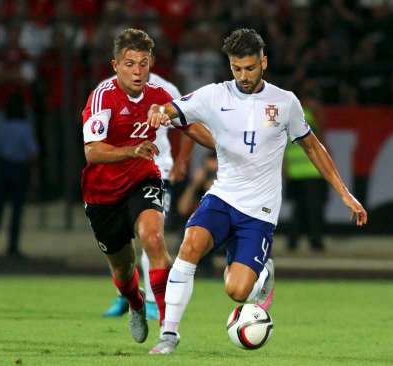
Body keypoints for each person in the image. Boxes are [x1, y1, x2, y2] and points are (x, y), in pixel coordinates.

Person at [146, 28, 368, 354]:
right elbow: (175, 109)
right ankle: (169, 335)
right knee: (190, 246)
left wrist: (345, 193)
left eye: (250, 68)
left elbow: (313, 147)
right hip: (223, 196)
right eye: (237, 69)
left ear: (263, 62)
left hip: (259, 211)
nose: (243, 76)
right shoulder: (215, 95)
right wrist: (159, 111)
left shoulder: (285, 102)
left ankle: (262, 272)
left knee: (236, 291)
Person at [81, 29, 212, 344]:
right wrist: (131, 149)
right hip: (103, 193)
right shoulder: (103, 95)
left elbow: (191, 127)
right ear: (116, 65)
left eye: (143, 63)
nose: (137, 71)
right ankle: (135, 303)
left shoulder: (160, 95)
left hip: (145, 178)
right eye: (130, 64)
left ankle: (168, 329)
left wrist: (226, 147)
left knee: (153, 239)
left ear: (151, 63)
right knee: (123, 271)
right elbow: (92, 151)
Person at [100, 71, 201, 320]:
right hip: (119, 175)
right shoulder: (105, 90)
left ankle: (156, 303)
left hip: (157, 170)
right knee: (120, 241)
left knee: (151, 236)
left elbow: (189, 124)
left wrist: (181, 162)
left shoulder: (165, 88)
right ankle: (126, 294)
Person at [0, 93, 39, 258]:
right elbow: (33, 152)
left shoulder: (1, 125)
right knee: (16, 211)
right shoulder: (25, 127)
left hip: (2, 167)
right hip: (20, 169)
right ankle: (12, 248)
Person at [284, 81, 328, 252]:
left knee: (300, 208)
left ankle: (293, 242)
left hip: (296, 171)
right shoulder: (310, 114)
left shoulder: (291, 115)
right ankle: (315, 241)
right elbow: (321, 138)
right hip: (311, 169)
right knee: (312, 208)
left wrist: (285, 166)